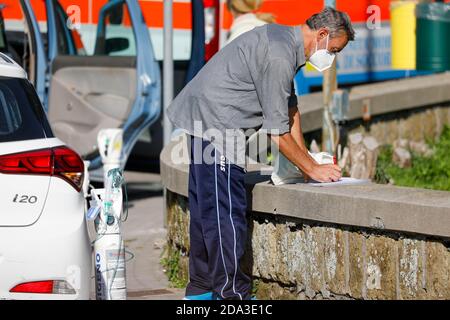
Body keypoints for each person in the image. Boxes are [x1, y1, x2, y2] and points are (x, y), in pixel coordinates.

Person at [167, 7, 355, 300]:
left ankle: (201, 291)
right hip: (218, 127)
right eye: (333, 49)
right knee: (226, 214)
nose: (331, 57)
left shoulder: (283, 40)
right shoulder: (280, 55)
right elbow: (277, 132)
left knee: (207, 211)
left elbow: (290, 111)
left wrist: (305, 159)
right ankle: (232, 296)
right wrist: (311, 169)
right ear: (321, 35)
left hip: (204, 120)